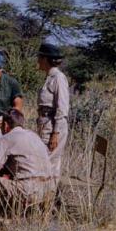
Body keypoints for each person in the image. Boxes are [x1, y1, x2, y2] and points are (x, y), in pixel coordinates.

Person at [0, 109, 55, 215]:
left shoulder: (7, 138)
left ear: (5, 125)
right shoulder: (34, 135)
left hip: (29, 191)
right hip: (48, 189)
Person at [36, 43, 70, 185]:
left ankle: (48, 199)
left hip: (53, 126)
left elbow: (62, 108)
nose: (38, 61)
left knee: (49, 163)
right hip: (45, 123)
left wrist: (55, 134)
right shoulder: (49, 77)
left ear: (45, 59)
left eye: (39, 57)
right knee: (43, 161)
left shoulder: (58, 78)